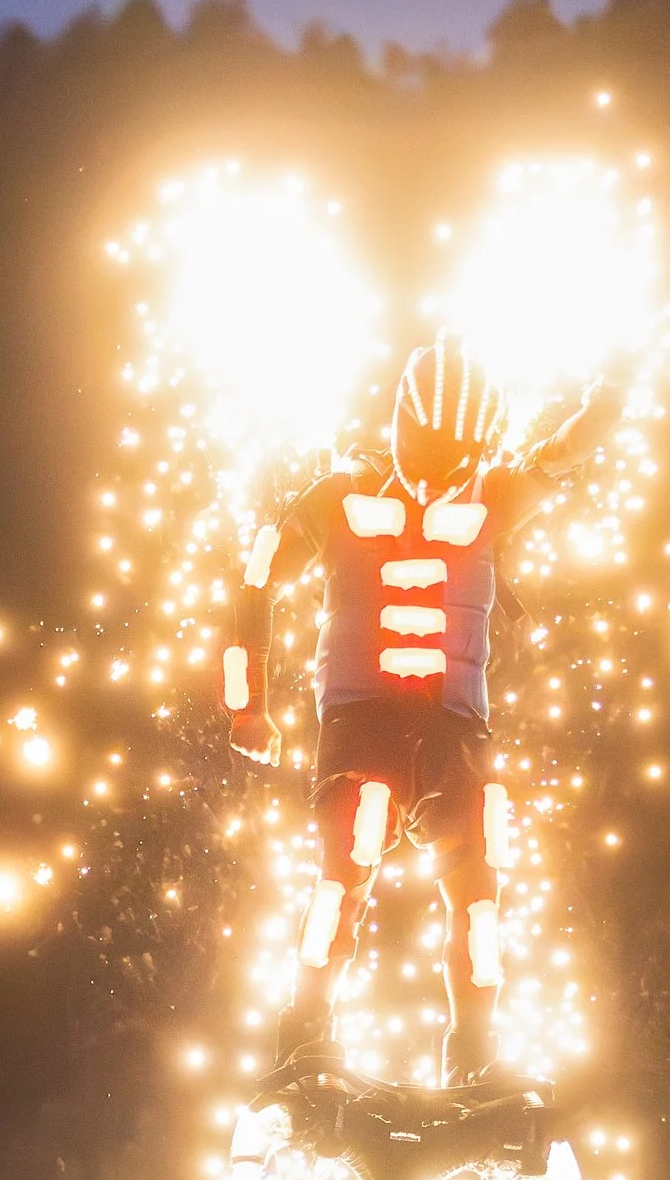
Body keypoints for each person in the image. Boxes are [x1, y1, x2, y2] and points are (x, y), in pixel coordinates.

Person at [220, 340, 609, 1087]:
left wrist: (608, 401)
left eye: (456, 455)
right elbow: (257, 576)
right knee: (348, 865)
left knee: (479, 881)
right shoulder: (341, 498)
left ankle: (474, 1051)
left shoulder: (486, 495)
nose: (439, 470)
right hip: (363, 716)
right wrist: (249, 706)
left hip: (454, 723)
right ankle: (304, 1033)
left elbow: (559, 454)